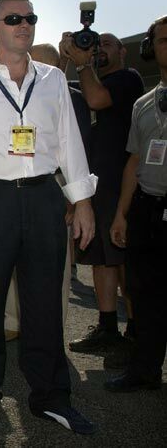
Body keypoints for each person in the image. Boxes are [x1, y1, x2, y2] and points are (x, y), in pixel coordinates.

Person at [0, 0, 97, 435]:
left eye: (30, 18)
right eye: (13, 18)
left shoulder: (55, 79)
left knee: (44, 305)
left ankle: (51, 398)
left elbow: (70, 142)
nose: (24, 24)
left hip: (43, 198)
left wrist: (82, 201)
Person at [60, 31, 145, 353]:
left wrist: (82, 65)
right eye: (96, 46)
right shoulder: (87, 82)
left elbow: (97, 99)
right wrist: (66, 59)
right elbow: (61, 97)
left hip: (121, 184)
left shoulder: (127, 79)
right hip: (95, 186)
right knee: (100, 259)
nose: (98, 50)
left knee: (123, 261)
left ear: (123, 51)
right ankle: (108, 327)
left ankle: (136, 333)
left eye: (106, 44)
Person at [104, 15, 167, 393]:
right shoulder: (144, 103)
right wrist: (122, 214)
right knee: (144, 295)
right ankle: (144, 369)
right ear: (151, 48)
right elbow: (134, 161)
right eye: (162, 40)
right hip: (148, 209)